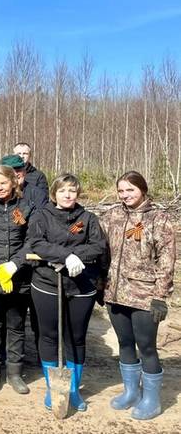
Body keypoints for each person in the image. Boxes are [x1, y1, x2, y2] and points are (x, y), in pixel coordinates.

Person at [100, 171, 175, 421]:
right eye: (121, 191)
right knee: (124, 344)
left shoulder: (159, 219)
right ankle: (132, 391)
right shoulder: (113, 214)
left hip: (144, 295)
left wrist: (160, 295)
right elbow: (92, 237)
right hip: (114, 292)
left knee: (147, 347)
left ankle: (152, 399)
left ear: (142, 189)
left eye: (130, 190)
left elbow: (167, 260)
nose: (125, 195)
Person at [29, 174, 106, 413]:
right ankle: (54, 386)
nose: (68, 195)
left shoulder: (88, 218)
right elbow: (36, 243)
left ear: (78, 194)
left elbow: (99, 246)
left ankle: (73, 389)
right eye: (63, 191)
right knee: (49, 335)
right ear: (54, 194)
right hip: (48, 283)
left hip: (81, 285)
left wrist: (76, 257)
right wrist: (63, 256)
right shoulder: (42, 216)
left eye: (72, 191)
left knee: (76, 337)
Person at [0, 164, 37, 395]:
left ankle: (14, 372)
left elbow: (32, 241)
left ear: (13, 183)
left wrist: (14, 264)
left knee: (15, 326)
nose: (0, 187)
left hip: (19, 278)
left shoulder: (26, 207)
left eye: (4, 183)